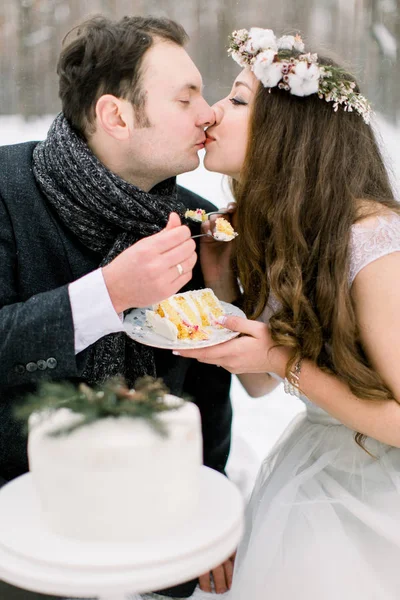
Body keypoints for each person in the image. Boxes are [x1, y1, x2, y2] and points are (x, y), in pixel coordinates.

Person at [0, 16, 235, 600]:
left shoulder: (201, 220)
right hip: (23, 534)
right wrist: (108, 295)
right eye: (186, 98)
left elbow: (208, 383)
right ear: (116, 116)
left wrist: (210, 507)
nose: (208, 113)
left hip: (159, 533)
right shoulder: (5, 189)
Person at [176, 27, 400, 599]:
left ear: (289, 133)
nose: (213, 114)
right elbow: (258, 383)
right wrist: (223, 279)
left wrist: (280, 356)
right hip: (318, 462)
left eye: (238, 99)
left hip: (378, 493)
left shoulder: (377, 245)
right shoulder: (286, 234)